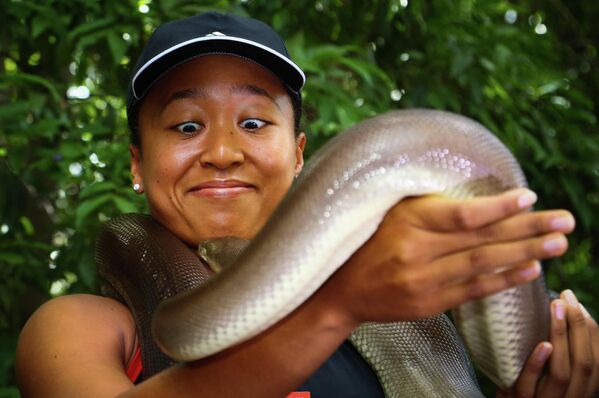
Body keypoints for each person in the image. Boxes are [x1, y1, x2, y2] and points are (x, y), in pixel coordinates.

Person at [16, 11, 599, 398]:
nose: (222, 152)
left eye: (252, 121)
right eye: (187, 125)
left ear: (300, 156)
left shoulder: (402, 307)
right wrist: (335, 305)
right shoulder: (82, 326)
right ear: (138, 166)